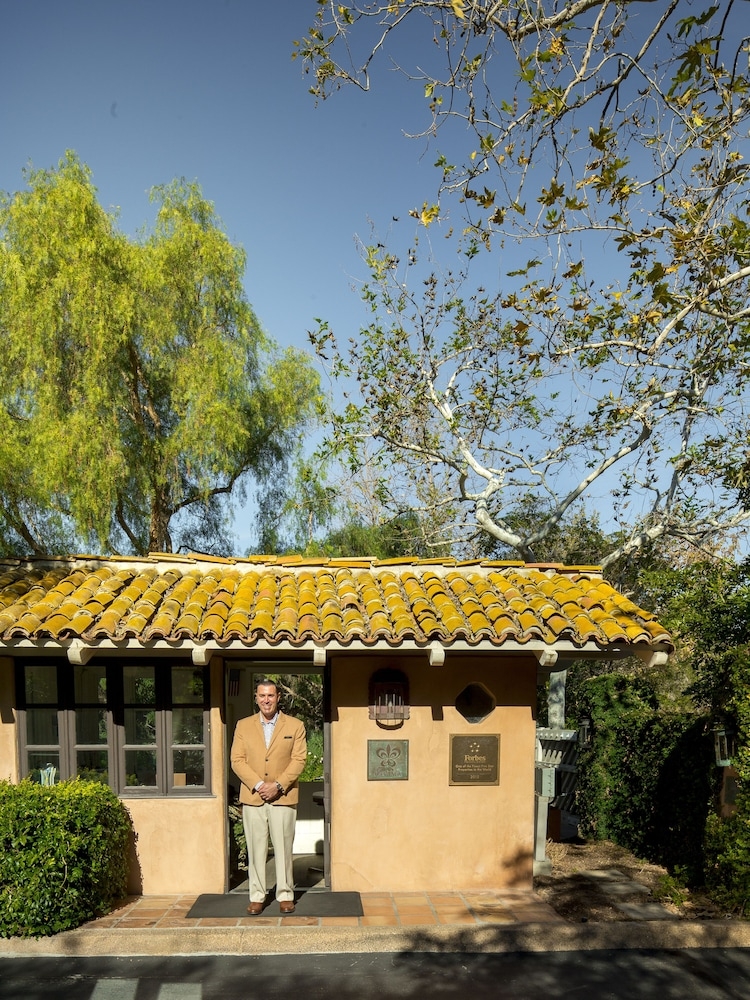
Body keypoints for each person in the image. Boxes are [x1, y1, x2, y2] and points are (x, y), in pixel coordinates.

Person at [230, 678, 307, 914]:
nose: (266, 700)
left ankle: (285, 894)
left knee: (283, 848)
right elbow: (237, 760)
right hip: (253, 796)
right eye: (262, 695)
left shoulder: (295, 726)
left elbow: (299, 760)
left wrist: (278, 785)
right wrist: (259, 784)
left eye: (270, 695)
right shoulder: (243, 726)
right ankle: (257, 895)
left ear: (278, 698)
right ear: (256, 698)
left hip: (283, 797)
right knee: (256, 849)